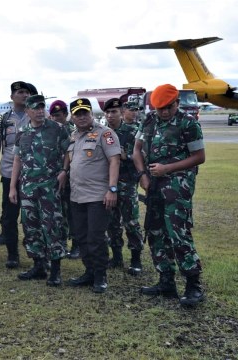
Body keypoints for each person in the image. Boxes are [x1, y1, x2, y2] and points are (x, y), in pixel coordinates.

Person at [133, 84, 206, 307]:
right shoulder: (149, 121)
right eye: (159, 108)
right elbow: (136, 150)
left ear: (177, 103)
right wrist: (142, 176)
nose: (164, 112)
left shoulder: (188, 123)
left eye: (168, 107)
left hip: (178, 186)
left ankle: (193, 286)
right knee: (155, 231)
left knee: (178, 233)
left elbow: (199, 156)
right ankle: (166, 281)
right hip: (153, 185)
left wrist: (168, 168)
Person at [9, 94, 69, 285]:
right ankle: (38, 265)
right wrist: (12, 186)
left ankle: (56, 270)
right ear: (27, 111)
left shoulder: (58, 129)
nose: (39, 111)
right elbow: (17, 160)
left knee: (52, 226)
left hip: (50, 187)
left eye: (41, 107)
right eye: (34, 108)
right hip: (28, 187)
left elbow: (69, 152)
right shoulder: (22, 131)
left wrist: (64, 171)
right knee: (30, 227)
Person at [65, 98, 120, 294]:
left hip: (98, 196)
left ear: (91, 114)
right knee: (81, 237)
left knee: (96, 237)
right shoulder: (74, 136)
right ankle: (89, 272)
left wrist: (112, 189)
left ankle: (100, 276)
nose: (82, 117)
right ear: (72, 117)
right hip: (77, 196)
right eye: (78, 114)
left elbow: (114, 161)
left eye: (85, 113)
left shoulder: (105, 134)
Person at [0, 81, 31, 268]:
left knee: (32, 216)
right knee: (9, 216)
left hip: (34, 175)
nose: (25, 95)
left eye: (27, 92)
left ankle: (37, 254)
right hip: (8, 173)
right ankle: (13, 255)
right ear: (12, 96)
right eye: (20, 92)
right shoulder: (3, 119)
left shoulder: (37, 115)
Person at [102, 98, 144, 274]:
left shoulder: (132, 131)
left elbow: (135, 156)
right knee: (112, 223)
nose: (111, 115)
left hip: (126, 183)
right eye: (108, 112)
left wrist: (123, 156)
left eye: (114, 112)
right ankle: (117, 256)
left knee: (131, 222)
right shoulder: (103, 133)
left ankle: (136, 259)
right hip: (107, 183)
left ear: (121, 112)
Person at [48, 100, 78, 260]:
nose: (55, 119)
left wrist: (65, 171)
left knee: (72, 212)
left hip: (71, 178)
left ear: (66, 115)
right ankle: (61, 243)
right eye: (52, 116)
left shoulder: (73, 131)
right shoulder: (50, 131)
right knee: (58, 213)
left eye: (58, 116)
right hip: (54, 177)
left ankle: (76, 245)